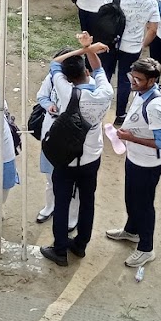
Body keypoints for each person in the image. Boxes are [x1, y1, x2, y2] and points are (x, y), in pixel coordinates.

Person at [36, 35, 112, 267]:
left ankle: (60, 250)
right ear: (86, 72)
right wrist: (89, 49)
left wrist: (82, 50)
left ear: (67, 79)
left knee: (62, 203)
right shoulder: (105, 92)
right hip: (91, 157)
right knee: (87, 202)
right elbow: (99, 69)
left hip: (67, 158)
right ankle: (80, 245)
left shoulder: (67, 92)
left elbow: (55, 62)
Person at [104, 58, 161, 269]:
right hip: (135, 158)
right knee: (131, 198)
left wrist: (131, 138)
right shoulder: (141, 92)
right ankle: (132, 230)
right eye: (132, 77)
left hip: (148, 164)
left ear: (152, 81)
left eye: (138, 79)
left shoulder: (155, 107)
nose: (132, 82)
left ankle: (146, 248)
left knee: (144, 205)